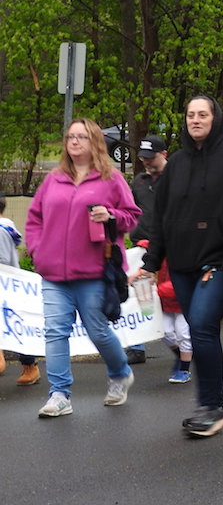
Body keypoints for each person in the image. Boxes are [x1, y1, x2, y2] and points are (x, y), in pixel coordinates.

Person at [135, 95, 223, 438]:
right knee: (201, 329)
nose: (196, 120)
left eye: (203, 114)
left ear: (215, 118)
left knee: (202, 325)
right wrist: (151, 262)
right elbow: (161, 219)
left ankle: (212, 407)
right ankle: (213, 406)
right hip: (181, 265)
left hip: (219, 263)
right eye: (190, 115)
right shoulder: (176, 164)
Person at [24, 118, 140, 417]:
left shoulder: (111, 179)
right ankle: (59, 394)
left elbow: (132, 216)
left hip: (93, 272)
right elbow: (34, 218)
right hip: (53, 274)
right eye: (70, 137)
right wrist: (38, 251)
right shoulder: (54, 179)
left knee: (98, 331)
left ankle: (119, 373)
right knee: (55, 332)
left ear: (95, 143)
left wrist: (110, 215)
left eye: (82, 137)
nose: (74, 142)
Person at [124, 134, 169, 365]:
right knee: (141, 298)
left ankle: (184, 341)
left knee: (170, 295)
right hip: (141, 246)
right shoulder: (140, 181)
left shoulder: (175, 179)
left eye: (151, 158)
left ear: (164, 155)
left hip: (169, 247)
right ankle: (137, 346)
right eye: (143, 158)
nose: (146, 162)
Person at [0, 194, 41, 385]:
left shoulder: (1, 230)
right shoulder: (6, 227)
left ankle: (29, 366)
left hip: (7, 286)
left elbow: (2, 262)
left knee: (15, 325)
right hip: (9, 285)